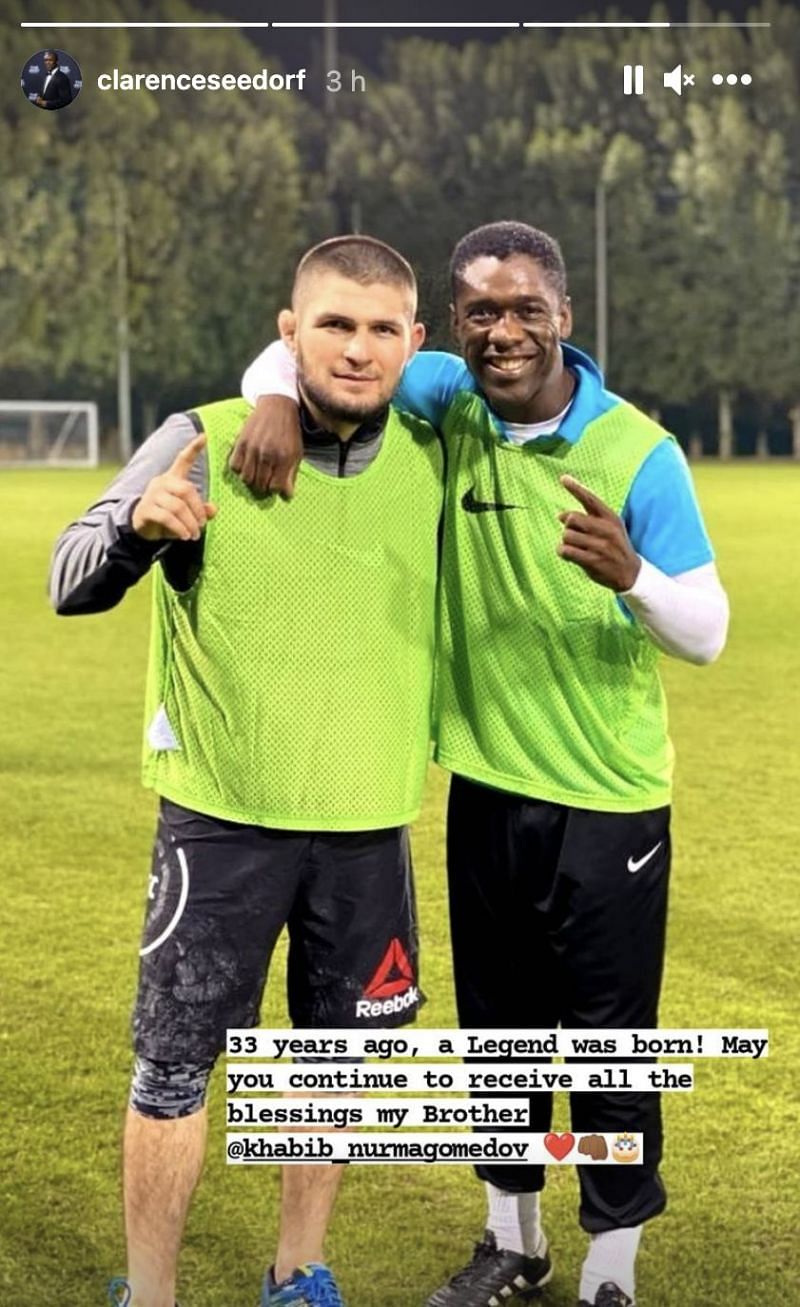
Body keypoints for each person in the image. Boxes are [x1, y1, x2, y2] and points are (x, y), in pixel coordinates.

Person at [235, 221, 729, 1307]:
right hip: (485, 785)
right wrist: (271, 396)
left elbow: (706, 631)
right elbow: (307, 345)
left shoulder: (635, 449)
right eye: (481, 313)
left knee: (608, 1043)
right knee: (497, 1036)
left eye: (524, 310)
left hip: (608, 798)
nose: (504, 331)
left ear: (563, 315)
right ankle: (513, 1238)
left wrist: (632, 574)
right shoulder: (447, 398)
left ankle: (610, 1263)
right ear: (453, 329)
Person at [50, 235, 444, 1307]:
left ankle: (297, 1270)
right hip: (220, 825)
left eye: (378, 330)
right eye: (331, 325)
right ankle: (153, 1289)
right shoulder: (203, 437)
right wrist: (138, 526)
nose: (355, 350)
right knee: (174, 1071)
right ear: (288, 330)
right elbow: (66, 577)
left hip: (368, 826)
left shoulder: (437, 452)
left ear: (413, 342)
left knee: (332, 1071)